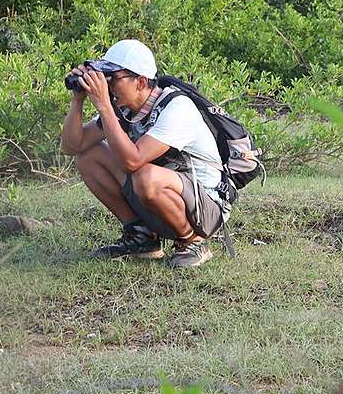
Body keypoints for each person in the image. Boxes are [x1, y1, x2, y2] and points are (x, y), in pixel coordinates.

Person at [60, 39, 225, 268]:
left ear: (140, 81)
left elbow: (132, 161)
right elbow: (72, 146)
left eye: (113, 78)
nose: (108, 86)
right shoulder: (125, 109)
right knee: (88, 157)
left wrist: (104, 106)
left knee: (145, 176)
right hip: (164, 191)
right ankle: (142, 238)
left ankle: (192, 242)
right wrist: (77, 100)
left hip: (205, 207)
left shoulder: (176, 107)